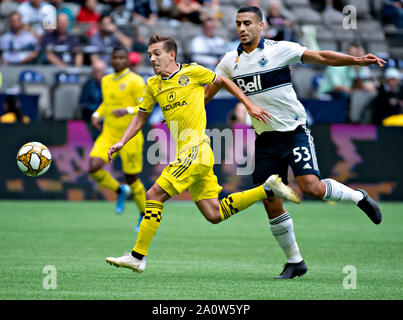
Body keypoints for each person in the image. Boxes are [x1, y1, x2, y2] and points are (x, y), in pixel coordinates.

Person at [205, 6, 384, 279]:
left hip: (294, 131)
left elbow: (321, 56)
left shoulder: (280, 49)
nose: (242, 28)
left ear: (261, 26)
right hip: (265, 138)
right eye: (238, 23)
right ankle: (295, 262)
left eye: (248, 23)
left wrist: (356, 61)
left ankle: (358, 197)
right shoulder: (230, 61)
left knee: (310, 186)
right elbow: (209, 91)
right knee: (271, 200)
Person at [105, 33, 299, 273]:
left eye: (157, 54)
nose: (152, 59)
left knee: (154, 194)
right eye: (149, 55)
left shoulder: (193, 72)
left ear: (171, 54)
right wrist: (122, 141)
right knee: (214, 214)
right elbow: (141, 116)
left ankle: (137, 256)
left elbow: (223, 81)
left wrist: (249, 105)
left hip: (196, 151)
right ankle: (267, 189)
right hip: (192, 154)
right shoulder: (153, 84)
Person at [89, 46, 146, 231]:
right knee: (93, 167)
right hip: (109, 134)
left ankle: (143, 214)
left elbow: (145, 106)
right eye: (115, 57)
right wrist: (97, 114)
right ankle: (119, 190)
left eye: (122, 58)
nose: (118, 61)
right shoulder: (106, 80)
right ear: (111, 60)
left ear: (128, 61)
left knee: (132, 178)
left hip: (130, 136)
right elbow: (107, 103)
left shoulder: (136, 81)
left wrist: (128, 110)